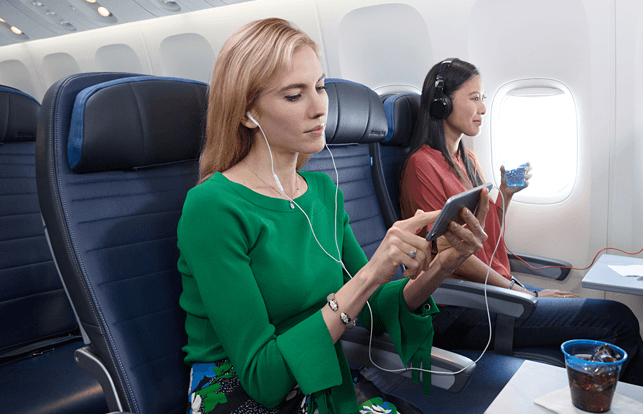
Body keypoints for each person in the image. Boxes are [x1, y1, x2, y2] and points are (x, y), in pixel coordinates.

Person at [177, 20, 490, 414]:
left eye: (320, 87)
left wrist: (443, 265)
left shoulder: (322, 191)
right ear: (246, 114)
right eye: (294, 95)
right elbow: (264, 378)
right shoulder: (212, 207)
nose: (318, 107)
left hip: (317, 368)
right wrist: (372, 271)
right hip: (237, 389)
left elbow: (375, 303)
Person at [399, 58, 643, 388]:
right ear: (441, 104)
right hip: (459, 307)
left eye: (485, 98)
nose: (482, 107)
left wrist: (506, 195)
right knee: (617, 320)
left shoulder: (468, 160)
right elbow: (452, 258)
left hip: (491, 291)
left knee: (604, 313)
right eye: (474, 97)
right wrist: (517, 291)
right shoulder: (421, 166)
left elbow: (486, 238)